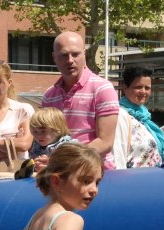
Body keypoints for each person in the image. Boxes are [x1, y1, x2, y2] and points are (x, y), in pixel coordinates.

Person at [41, 32, 119, 168]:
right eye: (64, 55)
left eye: (75, 54)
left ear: (84, 54)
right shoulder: (49, 96)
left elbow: (105, 142)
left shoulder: (102, 89)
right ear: (54, 57)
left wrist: (66, 160)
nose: (70, 60)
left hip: (95, 175)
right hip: (60, 174)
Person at [113, 66, 164, 169]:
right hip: (133, 179)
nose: (143, 92)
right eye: (138, 87)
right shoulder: (118, 116)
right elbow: (116, 155)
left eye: (147, 88)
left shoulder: (145, 117)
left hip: (154, 178)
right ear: (125, 87)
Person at [15, 107, 77, 179]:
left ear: (57, 130)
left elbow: (77, 164)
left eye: (43, 131)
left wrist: (52, 164)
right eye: (35, 132)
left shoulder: (68, 146)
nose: (38, 136)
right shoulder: (36, 145)